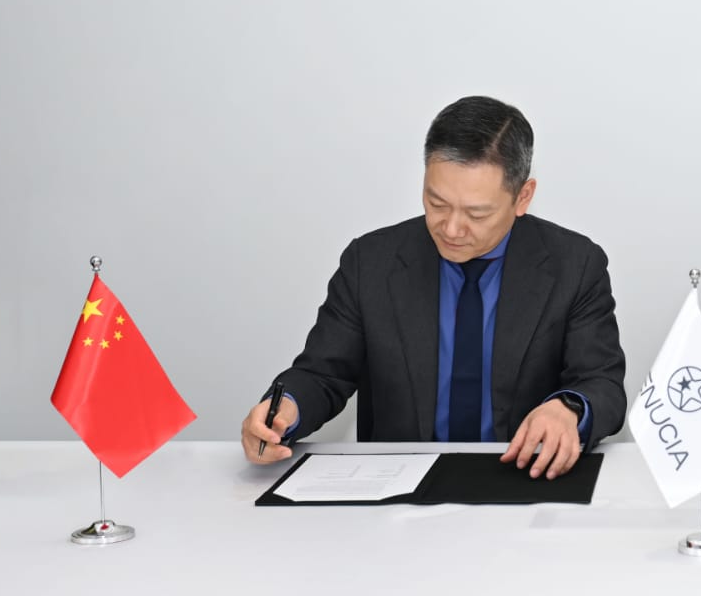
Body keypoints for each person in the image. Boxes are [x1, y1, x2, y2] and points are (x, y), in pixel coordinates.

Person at [239, 96, 625, 479]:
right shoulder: (370, 263)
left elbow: (602, 383)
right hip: (396, 484)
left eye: (476, 213)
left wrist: (569, 409)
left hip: (524, 478)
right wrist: (284, 410)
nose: (451, 229)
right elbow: (323, 374)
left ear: (522, 197)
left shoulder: (575, 265)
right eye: (437, 203)